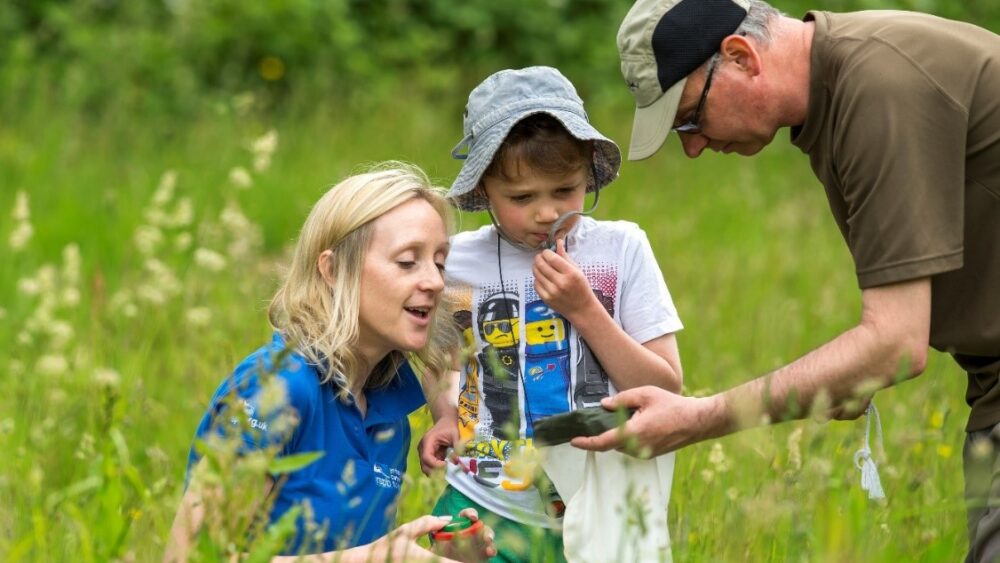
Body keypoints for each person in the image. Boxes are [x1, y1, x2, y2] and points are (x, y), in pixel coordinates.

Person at [574, 0, 1000, 560]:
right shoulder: (840, 92)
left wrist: (698, 417)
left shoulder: (879, 89)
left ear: (741, 56)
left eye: (688, 118)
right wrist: (839, 377)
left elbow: (895, 343)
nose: (694, 146)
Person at [418, 66, 685, 562]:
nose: (545, 212)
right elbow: (444, 360)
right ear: (485, 192)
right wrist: (446, 414)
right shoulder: (457, 260)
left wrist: (584, 310)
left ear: (588, 175)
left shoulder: (621, 250)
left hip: (596, 503)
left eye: (565, 190)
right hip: (482, 498)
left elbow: (666, 388)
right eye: (521, 198)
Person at [165, 165, 496, 562]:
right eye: (408, 262)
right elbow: (192, 556)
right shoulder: (276, 389)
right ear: (333, 270)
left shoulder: (389, 412)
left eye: (439, 264)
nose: (436, 282)